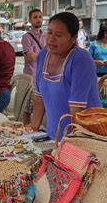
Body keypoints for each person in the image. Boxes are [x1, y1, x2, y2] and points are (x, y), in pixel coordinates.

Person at [28, 12, 101, 140]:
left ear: (73, 38)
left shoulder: (81, 60)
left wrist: (71, 143)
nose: (51, 39)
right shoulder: (43, 55)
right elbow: (39, 98)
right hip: (54, 135)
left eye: (59, 35)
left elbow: (77, 110)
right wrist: (33, 130)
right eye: (49, 32)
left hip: (83, 137)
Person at [21, 9, 46, 124]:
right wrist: (45, 54)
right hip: (31, 77)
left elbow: (52, 55)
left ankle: (37, 127)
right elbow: (30, 57)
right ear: (30, 20)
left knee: (41, 107)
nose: (38, 19)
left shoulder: (45, 36)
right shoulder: (27, 37)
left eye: (40, 17)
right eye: (35, 17)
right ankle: (26, 129)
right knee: (28, 108)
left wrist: (38, 54)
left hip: (44, 78)